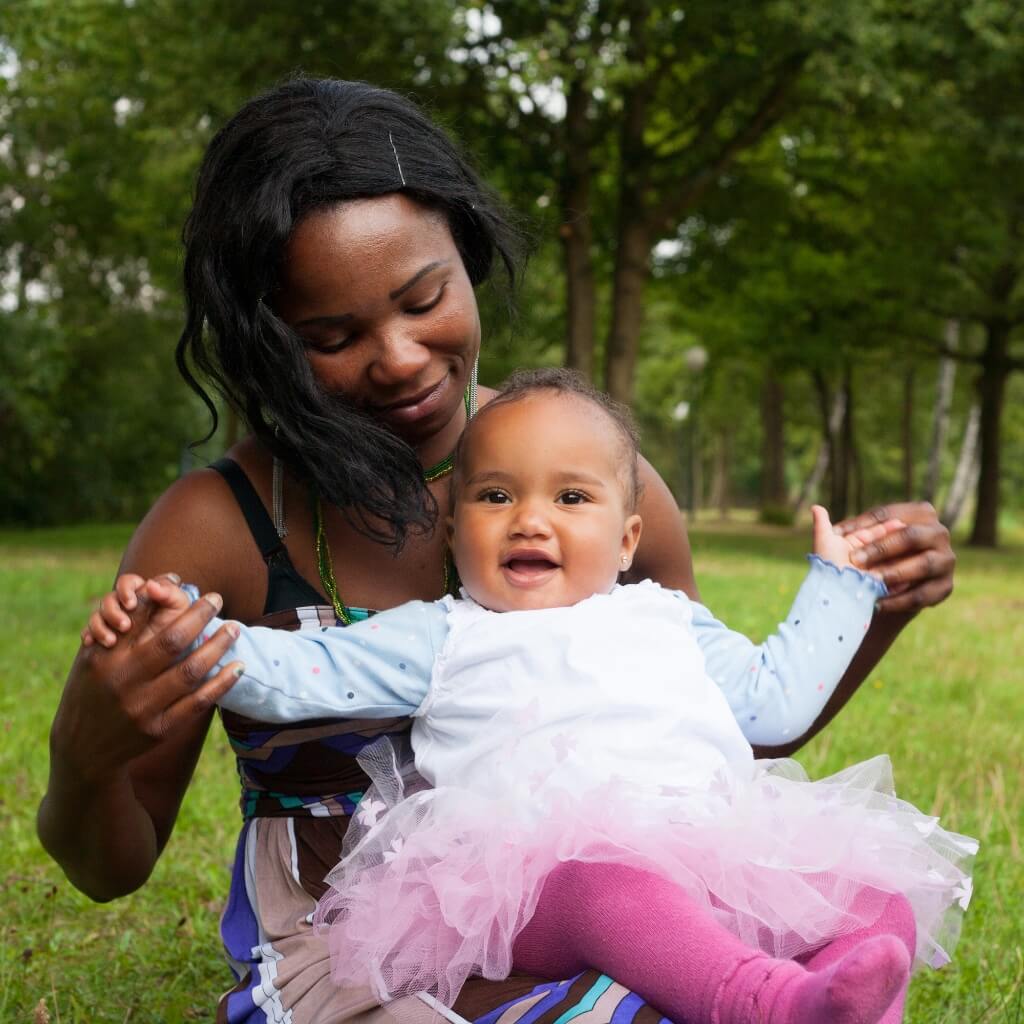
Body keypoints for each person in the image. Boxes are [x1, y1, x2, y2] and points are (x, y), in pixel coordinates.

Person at [39, 77, 958, 1024]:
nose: (397, 357)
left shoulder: (602, 479)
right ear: (264, 340)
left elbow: (718, 721)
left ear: (468, 262)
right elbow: (111, 868)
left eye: (423, 298)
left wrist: (870, 603)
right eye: (331, 335)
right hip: (367, 959)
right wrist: (85, 752)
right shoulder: (217, 525)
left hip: (652, 924)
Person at [91, 371, 975, 1024]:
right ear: (453, 526)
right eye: (496, 495)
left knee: (866, 897)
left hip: (708, 854)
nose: (530, 518)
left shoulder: (668, 619)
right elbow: (300, 674)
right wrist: (192, 634)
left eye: (572, 496)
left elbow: (776, 705)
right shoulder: (445, 631)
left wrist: (841, 588)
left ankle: (852, 1005)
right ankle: (760, 1003)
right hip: (527, 886)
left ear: (629, 537)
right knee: (611, 891)